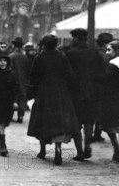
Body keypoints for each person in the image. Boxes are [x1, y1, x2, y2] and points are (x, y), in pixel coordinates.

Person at [27, 35, 80, 166]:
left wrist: (33, 92)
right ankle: (58, 148)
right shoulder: (62, 57)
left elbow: (33, 77)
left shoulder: (39, 57)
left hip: (44, 91)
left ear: (44, 44)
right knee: (59, 120)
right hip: (60, 91)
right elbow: (70, 75)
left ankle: (43, 149)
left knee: (42, 119)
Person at [65, 28, 105, 161]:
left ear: (76, 39)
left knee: (76, 122)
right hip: (92, 93)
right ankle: (87, 145)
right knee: (89, 122)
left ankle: (80, 152)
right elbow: (101, 73)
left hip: (75, 93)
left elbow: (68, 75)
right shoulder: (95, 53)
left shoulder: (70, 54)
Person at [92, 32, 114, 142]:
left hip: (95, 84)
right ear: (105, 44)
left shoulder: (96, 53)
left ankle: (96, 132)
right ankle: (97, 133)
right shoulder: (104, 55)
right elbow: (106, 71)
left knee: (96, 110)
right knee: (99, 110)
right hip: (101, 85)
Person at [8, 37, 30, 123]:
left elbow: (10, 69)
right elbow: (28, 70)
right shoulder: (25, 57)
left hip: (14, 80)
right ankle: (20, 116)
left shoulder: (11, 56)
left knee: (13, 98)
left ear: (14, 45)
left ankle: (11, 115)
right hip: (23, 81)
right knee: (22, 98)